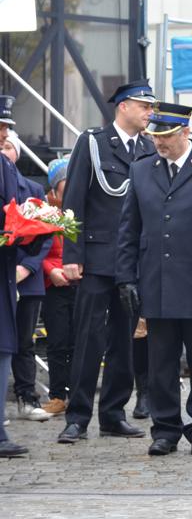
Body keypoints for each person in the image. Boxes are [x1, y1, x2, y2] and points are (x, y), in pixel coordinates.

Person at [116, 102, 192, 457]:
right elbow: (129, 229)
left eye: (166, 136)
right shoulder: (141, 171)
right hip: (158, 281)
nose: (160, 143)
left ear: (185, 132)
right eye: (155, 136)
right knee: (161, 363)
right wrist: (126, 277)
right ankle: (165, 428)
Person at [58, 80, 156, 444]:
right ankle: (78, 417)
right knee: (89, 338)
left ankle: (113, 413)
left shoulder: (147, 148)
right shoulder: (94, 142)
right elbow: (75, 200)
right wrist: (72, 254)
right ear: (124, 106)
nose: (149, 114)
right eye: (144, 107)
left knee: (124, 340)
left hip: (132, 262)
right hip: (97, 257)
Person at [1, 130, 56, 422]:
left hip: (28, 276)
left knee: (25, 340)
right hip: (3, 274)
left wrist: (29, 267)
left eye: (11, 146)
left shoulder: (33, 189)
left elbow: (46, 233)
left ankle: (27, 397)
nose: (6, 150)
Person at [0, 99, 37, 457]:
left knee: (5, 348)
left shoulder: (6, 167)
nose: (5, 134)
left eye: (7, 128)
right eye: (1, 128)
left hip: (6, 272)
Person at [40, 158, 75, 415]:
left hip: (79, 283)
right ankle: (57, 395)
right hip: (54, 285)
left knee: (79, 342)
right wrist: (51, 269)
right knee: (57, 341)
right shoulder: (43, 213)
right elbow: (36, 250)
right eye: (65, 180)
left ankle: (78, 393)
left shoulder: (83, 209)